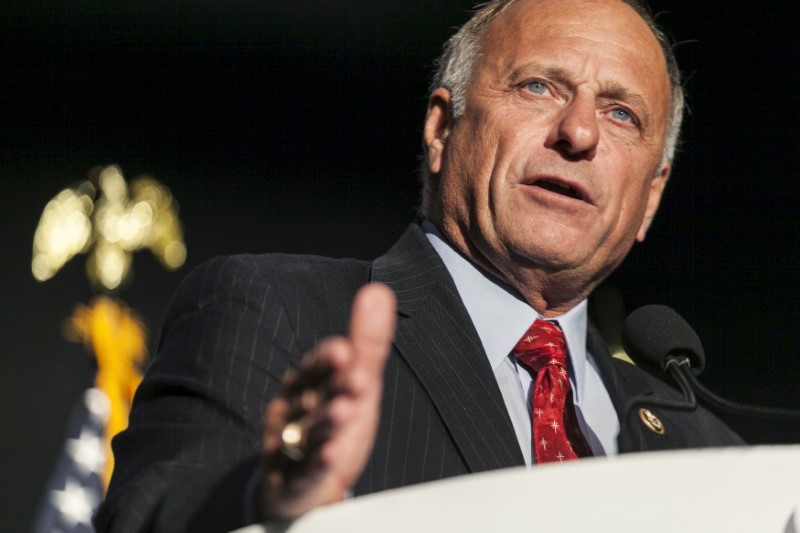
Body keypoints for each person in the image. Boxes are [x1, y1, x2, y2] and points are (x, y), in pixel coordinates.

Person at [95, 0, 744, 530]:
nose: (579, 133)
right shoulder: (273, 312)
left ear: (650, 197)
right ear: (441, 128)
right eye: (539, 86)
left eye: (621, 113)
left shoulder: (703, 444)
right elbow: (151, 513)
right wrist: (268, 497)